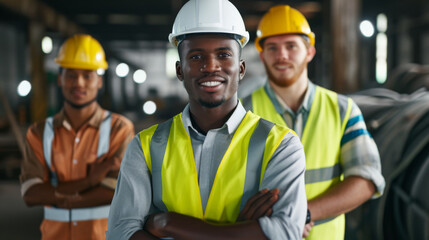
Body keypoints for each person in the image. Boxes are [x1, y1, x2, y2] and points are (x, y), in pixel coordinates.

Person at [106, 0, 307, 239]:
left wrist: (167, 223)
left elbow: (285, 232)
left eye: (223, 55)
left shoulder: (281, 146)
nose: (211, 66)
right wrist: (239, 231)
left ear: (241, 68)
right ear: (180, 70)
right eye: (196, 56)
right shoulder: (145, 147)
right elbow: (121, 233)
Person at [241, 5, 386, 240]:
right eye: (272, 48)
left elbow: (366, 178)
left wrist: (304, 214)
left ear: (309, 52)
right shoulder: (241, 113)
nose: (282, 56)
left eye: (291, 46)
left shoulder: (342, 110)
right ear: (262, 55)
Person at [20, 34, 135, 240]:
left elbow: (116, 192)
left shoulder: (120, 129)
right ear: (59, 79)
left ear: (99, 81)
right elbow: (31, 194)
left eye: (87, 75)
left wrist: (58, 196)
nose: (78, 83)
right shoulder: (39, 132)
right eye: (71, 75)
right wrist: (91, 180)